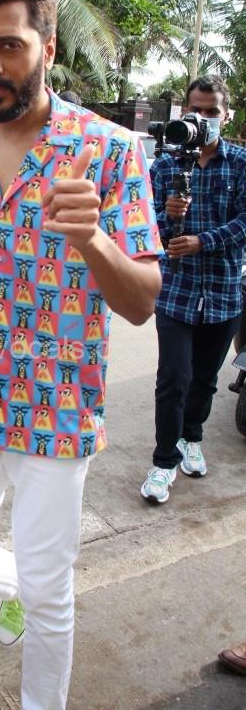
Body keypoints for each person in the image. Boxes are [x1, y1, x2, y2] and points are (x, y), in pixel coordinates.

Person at [0, 0, 162, 710]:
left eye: (9, 46)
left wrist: (93, 240)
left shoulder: (109, 150)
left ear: (47, 47)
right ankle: (13, 584)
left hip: (57, 406)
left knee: (53, 594)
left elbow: (142, 302)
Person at [140, 75, 246, 504]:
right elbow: (145, 227)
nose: (202, 118)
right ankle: (164, 461)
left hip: (224, 292)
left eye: (211, 111)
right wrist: (168, 217)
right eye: (195, 110)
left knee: (205, 379)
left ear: (226, 115)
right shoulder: (165, 165)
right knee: (173, 378)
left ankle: (192, 438)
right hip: (176, 291)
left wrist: (204, 241)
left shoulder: (240, 163)